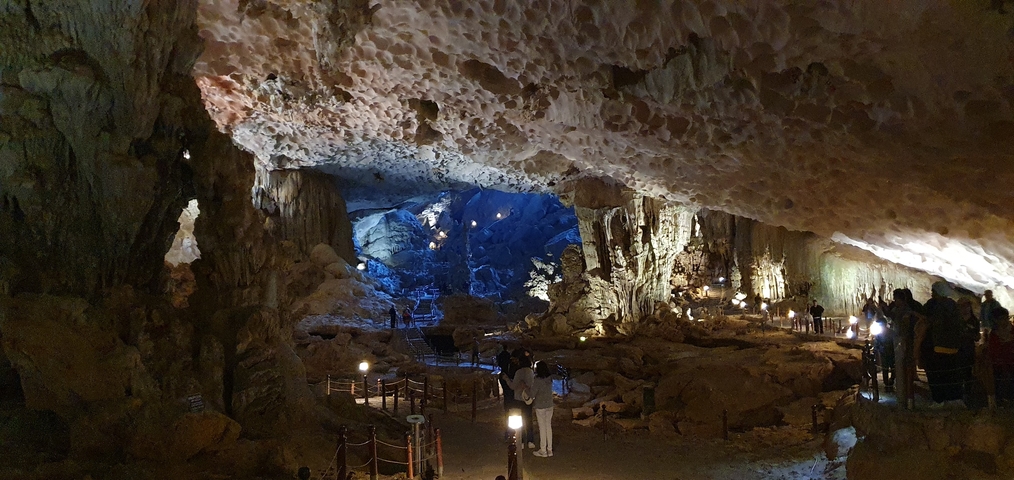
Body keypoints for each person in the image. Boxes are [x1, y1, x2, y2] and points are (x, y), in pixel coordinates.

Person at [923, 282, 965, 403]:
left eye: (933, 291)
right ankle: (955, 398)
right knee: (952, 375)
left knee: (939, 376)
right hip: (954, 346)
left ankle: (940, 400)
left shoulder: (936, 305)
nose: (932, 293)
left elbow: (933, 321)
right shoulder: (953, 305)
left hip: (940, 345)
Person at [503, 350, 536, 448]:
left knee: (519, 420)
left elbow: (513, 386)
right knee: (529, 419)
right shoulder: (531, 372)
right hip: (528, 398)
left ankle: (521, 441)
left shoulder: (519, 372)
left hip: (518, 398)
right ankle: (531, 441)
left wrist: (506, 379)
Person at [988, 308, 1014, 403]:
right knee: (999, 382)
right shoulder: (994, 334)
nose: (1004, 321)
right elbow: (993, 350)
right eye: (1001, 318)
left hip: (1011, 363)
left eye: (1006, 318)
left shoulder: (1012, 331)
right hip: (999, 365)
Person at [530, 361, 555, 457]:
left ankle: (543, 450)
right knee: (548, 426)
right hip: (549, 405)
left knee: (542, 427)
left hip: (540, 406)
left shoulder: (537, 380)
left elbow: (532, 394)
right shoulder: (549, 379)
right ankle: (550, 449)